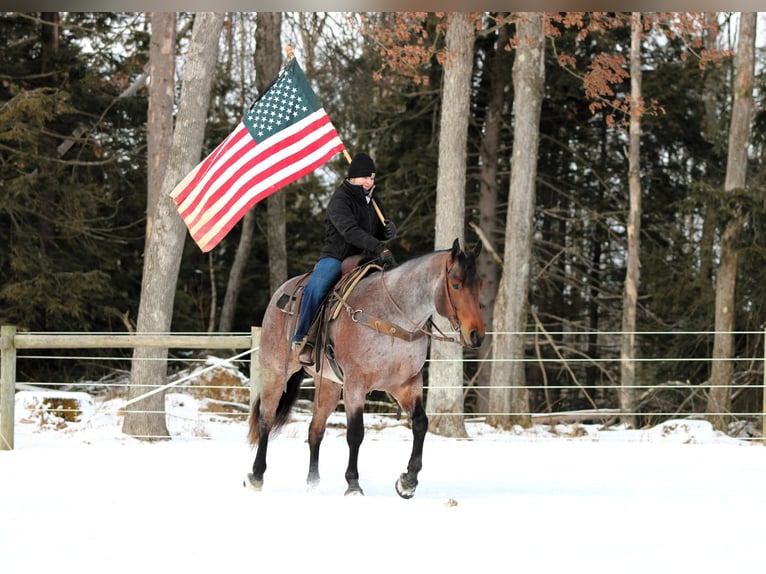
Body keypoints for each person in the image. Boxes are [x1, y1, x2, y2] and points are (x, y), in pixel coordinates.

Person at [292, 152, 397, 365]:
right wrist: (379, 246)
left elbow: (376, 229)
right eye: (365, 177)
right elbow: (350, 231)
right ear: (352, 177)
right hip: (338, 257)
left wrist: (387, 232)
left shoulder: (372, 200)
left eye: (372, 178)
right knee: (318, 286)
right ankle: (303, 338)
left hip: (366, 257)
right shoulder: (340, 200)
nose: (369, 181)